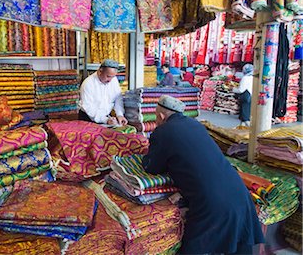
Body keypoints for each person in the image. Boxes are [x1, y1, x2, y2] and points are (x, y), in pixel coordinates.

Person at [142, 95, 264, 254]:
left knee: (193, 249)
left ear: (160, 116)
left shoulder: (163, 131)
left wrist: (145, 157)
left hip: (212, 202)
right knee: (240, 246)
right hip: (240, 194)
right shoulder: (195, 125)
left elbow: (152, 167)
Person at [79, 59, 128, 125]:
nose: (110, 80)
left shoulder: (114, 80)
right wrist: (105, 120)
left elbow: (118, 98)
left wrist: (120, 115)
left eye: (112, 77)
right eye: (108, 76)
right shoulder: (88, 84)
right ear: (100, 71)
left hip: (106, 117)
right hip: (88, 118)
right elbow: (88, 107)